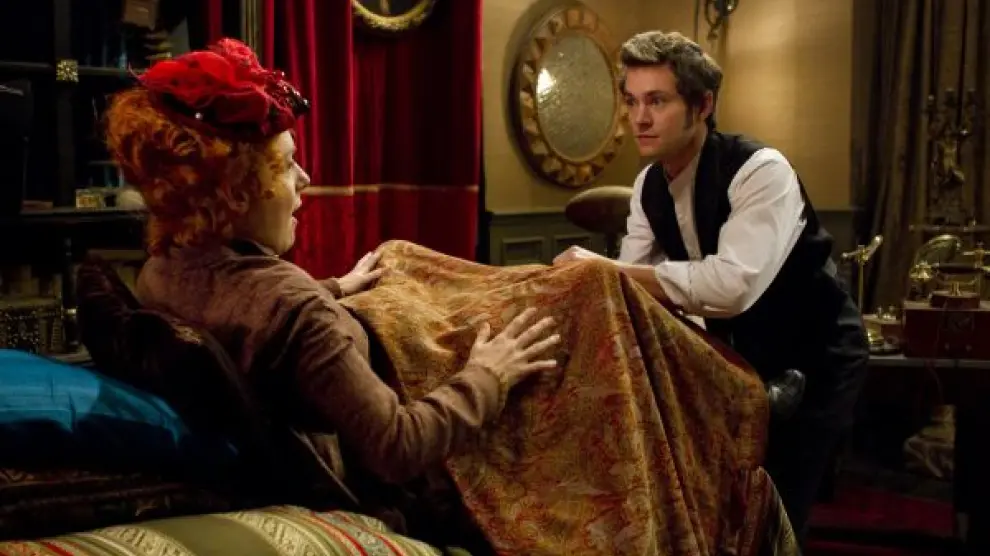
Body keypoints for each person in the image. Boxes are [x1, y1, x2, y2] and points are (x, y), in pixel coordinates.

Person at [103, 38, 561, 542]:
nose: (304, 178)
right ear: (236, 191)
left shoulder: (163, 267)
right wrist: (488, 377)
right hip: (381, 497)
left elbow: (241, 312)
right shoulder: (296, 311)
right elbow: (396, 446)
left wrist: (333, 287)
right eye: (285, 164)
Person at [554, 30, 870, 543]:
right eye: (631, 101)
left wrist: (603, 269)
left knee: (776, 518)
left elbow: (730, 287)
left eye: (657, 101)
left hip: (816, 358)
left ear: (703, 106)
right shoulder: (648, 185)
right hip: (740, 368)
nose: (639, 118)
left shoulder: (760, 171)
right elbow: (636, 289)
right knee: (721, 515)